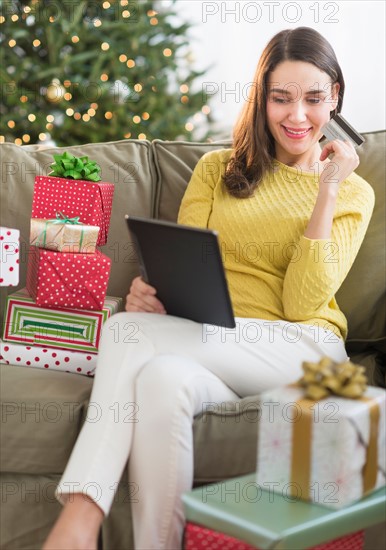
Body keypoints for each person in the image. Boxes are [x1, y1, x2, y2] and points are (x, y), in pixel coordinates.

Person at [43, 26, 374, 550]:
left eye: (313, 99)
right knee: (160, 379)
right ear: (261, 98)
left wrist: (327, 188)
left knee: (130, 335)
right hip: (217, 342)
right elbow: (183, 267)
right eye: (281, 98)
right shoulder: (216, 169)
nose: (297, 116)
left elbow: (302, 301)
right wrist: (150, 295)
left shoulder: (352, 192)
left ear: (335, 98)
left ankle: (81, 519)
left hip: (304, 350)